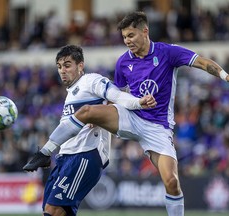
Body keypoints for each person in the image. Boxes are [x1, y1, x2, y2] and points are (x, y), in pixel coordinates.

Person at [24, 12, 229, 216]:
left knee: (171, 181)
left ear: (145, 31)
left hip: (158, 127)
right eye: (124, 37)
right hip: (132, 116)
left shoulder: (167, 52)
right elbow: (116, 94)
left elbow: (202, 62)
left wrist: (225, 75)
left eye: (131, 35)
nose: (127, 41)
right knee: (87, 111)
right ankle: (45, 152)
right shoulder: (123, 62)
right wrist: (99, 116)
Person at [23, 44, 156, 216]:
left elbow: (116, 94)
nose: (63, 70)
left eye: (67, 65)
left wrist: (137, 102)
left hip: (84, 155)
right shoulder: (71, 93)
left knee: (53, 210)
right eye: (59, 67)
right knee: (51, 211)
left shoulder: (90, 81)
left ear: (80, 66)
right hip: (65, 158)